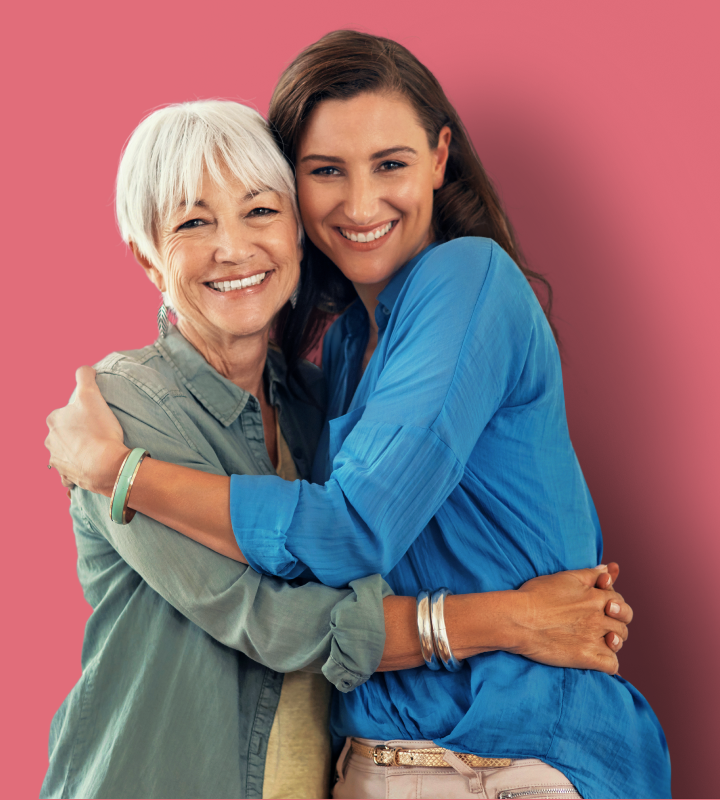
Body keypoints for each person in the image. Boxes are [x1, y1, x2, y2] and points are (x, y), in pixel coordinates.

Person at [43, 99, 632, 800]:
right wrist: (510, 620)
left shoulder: (316, 403)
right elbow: (272, 618)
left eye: (260, 212)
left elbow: (358, 558)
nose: (233, 247)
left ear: (296, 231)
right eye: (193, 222)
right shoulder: (124, 411)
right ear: (148, 256)